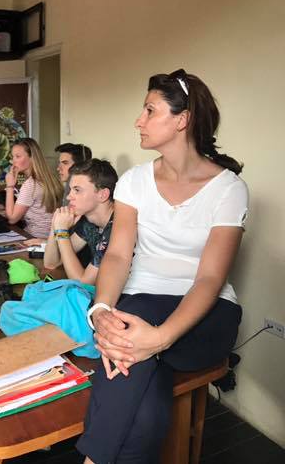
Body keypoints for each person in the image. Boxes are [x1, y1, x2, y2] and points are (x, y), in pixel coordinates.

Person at [76, 69, 247, 464]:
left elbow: (210, 278)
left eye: (150, 110)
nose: (139, 120)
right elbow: (118, 255)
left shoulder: (229, 189)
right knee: (144, 408)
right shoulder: (134, 181)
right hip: (140, 310)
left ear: (182, 119)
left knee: (131, 338)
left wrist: (160, 338)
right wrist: (101, 309)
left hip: (206, 317)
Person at [42, 159, 118, 285]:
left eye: (77, 190)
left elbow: (83, 282)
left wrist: (62, 231)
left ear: (102, 195)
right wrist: (55, 226)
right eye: (71, 190)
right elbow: (51, 263)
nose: (69, 197)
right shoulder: (89, 220)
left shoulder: (117, 226)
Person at [4, 138, 63, 239]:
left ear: (32, 158)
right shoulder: (51, 179)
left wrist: (10, 186)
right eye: (12, 157)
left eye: (18, 156)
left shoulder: (30, 185)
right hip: (51, 238)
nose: (13, 161)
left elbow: (12, 219)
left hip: (35, 238)